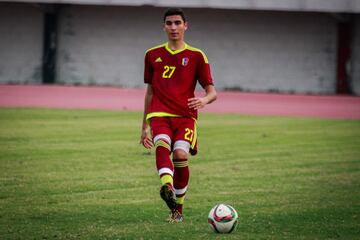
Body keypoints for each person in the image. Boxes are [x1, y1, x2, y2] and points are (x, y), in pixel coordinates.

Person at [140, 7, 217, 223]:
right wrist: (143, 126)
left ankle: (178, 209)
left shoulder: (196, 55)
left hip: (185, 116)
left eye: (177, 23)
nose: (173, 27)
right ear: (163, 26)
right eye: (169, 23)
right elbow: (149, 93)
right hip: (159, 114)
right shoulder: (152, 55)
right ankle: (167, 185)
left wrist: (203, 100)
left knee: (181, 155)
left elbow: (213, 93)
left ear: (185, 26)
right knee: (162, 144)